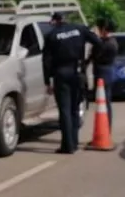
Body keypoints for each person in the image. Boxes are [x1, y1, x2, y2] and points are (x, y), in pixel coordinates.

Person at [43, 12, 104, 154]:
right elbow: (98, 42)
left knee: (64, 110)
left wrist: (47, 80)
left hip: (61, 75)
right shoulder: (80, 29)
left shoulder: (52, 35)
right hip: (78, 72)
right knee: (75, 109)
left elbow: (46, 61)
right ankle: (75, 142)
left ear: (55, 21)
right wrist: (89, 60)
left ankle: (67, 145)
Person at [89, 18, 119, 129]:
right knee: (103, 102)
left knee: (104, 102)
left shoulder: (108, 43)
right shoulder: (109, 42)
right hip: (105, 73)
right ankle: (105, 128)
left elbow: (95, 55)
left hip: (104, 74)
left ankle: (106, 128)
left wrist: (96, 39)